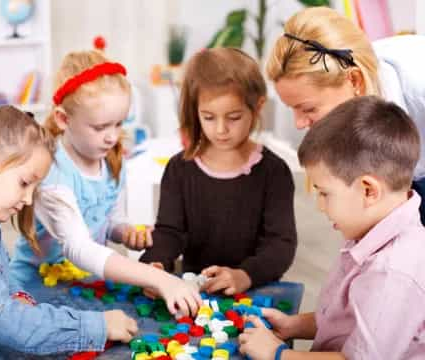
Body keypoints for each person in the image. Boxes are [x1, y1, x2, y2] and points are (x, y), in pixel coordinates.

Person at [9, 49, 201, 316]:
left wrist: (125, 233)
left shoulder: (111, 161)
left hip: (85, 284)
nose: (112, 137)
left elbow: (108, 220)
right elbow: (79, 247)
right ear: (63, 119)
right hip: (36, 289)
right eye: (100, 128)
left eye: (119, 124)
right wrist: (159, 278)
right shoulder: (50, 172)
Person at [239, 96, 425, 360]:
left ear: (368, 190)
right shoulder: (370, 229)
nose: (321, 206)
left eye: (325, 193)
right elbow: (349, 319)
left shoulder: (391, 273)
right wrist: (295, 325)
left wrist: (278, 354)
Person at [0, 106, 139, 354]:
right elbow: (4, 319)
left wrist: (23, 301)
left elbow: (5, 284)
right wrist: (97, 326)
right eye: (24, 183)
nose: (28, 200)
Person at [140, 47, 297, 295]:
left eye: (233, 117)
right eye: (209, 117)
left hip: (254, 290)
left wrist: (245, 275)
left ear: (257, 107)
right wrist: (155, 265)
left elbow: (280, 245)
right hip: (196, 291)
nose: (221, 129)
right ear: (195, 111)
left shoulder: (274, 172)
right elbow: (169, 232)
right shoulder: (179, 169)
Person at [266, 6, 425, 223]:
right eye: (292, 108)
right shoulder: (354, 101)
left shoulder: (418, 84)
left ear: (354, 81)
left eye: (308, 109)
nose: (299, 123)